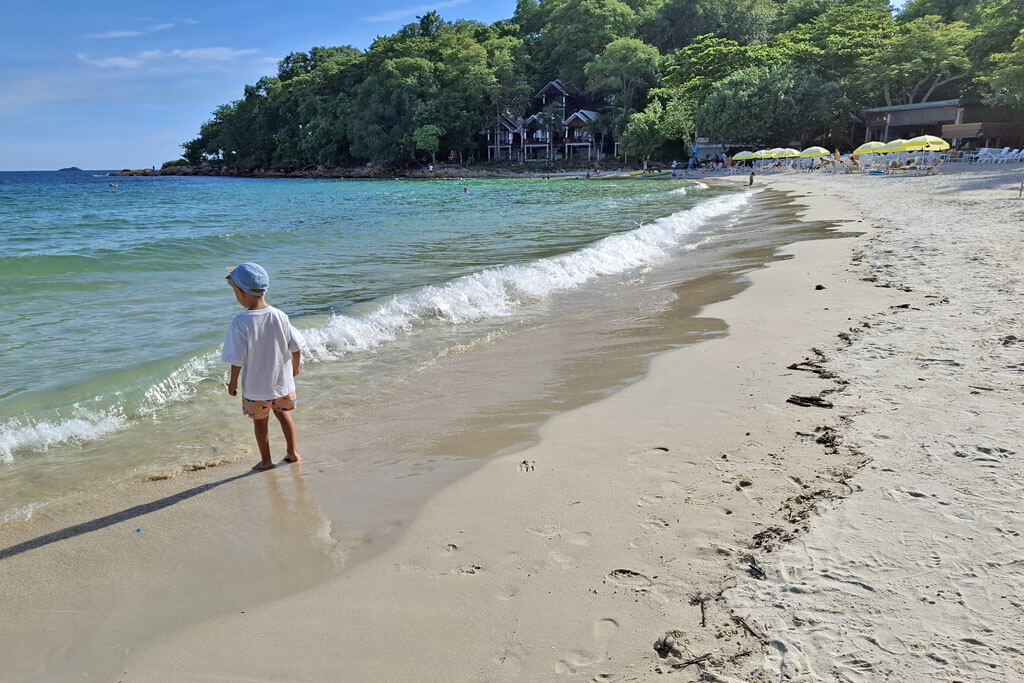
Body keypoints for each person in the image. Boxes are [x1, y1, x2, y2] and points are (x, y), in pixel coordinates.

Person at [222, 263, 305, 470]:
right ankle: (293, 452)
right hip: (282, 384)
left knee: (260, 423)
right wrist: (295, 366)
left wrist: (233, 382)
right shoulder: (279, 315)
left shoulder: (241, 322)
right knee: (283, 415)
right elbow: (296, 345)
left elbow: (236, 358)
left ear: (241, 293)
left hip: (257, 388)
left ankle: (266, 460)